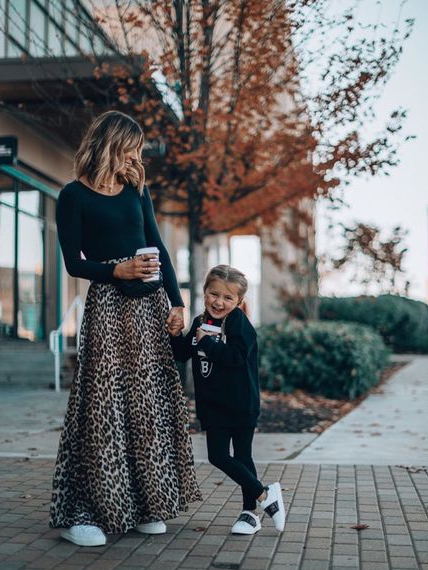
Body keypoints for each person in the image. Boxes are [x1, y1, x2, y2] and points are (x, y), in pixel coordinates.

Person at [50, 110, 202, 546]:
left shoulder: (138, 190)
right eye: (132, 147)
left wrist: (177, 301)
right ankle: (85, 512)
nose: (137, 157)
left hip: (150, 307)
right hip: (108, 308)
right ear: (111, 144)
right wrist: (118, 271)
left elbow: (158, 248)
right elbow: (73, 262)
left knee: (148, 407)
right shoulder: (73, 196)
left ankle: (140, 504)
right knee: (103, 407)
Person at [170, 265, 285, 535]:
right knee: (218, 456)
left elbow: (235, 357)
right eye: (214, 294)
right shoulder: (199, 322)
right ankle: (266, 494)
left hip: (242, 403)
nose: (219, 302)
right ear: (204, 292)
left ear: (239, 302)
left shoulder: (239, 324)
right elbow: (183, 353)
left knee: (243, 456)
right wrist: (175, 335)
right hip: (213, 405)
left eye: (228, 298)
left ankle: (250, 514)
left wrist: (207, 343)